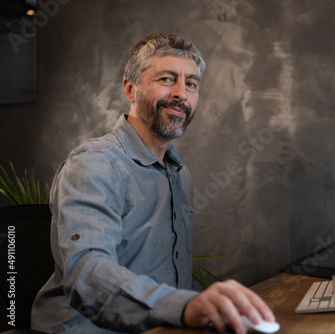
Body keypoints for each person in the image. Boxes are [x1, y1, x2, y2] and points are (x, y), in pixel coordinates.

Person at [31, 34, 275, 334]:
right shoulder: (94, 164)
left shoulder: (178, 173)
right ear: (130, 89)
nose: (180, 94)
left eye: (191, 84)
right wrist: (184, 308)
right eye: (166, 78)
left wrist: (218, 309)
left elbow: (171, 279)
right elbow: (87, 272)